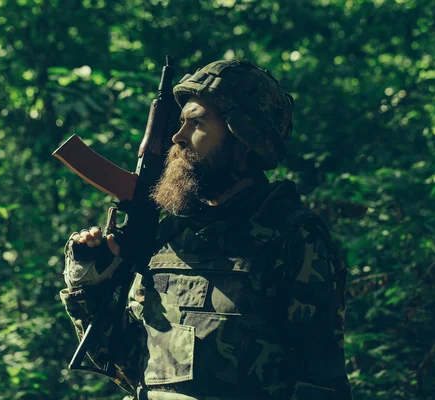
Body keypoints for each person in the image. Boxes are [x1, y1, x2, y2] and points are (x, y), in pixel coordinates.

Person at [59, 59, 352, 400]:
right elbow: (127, 366)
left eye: (196, 123)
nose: (177, 137)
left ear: (243, 137)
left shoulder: (291, 237)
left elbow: (320, 384)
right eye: (181, 122)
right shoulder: (168, 236)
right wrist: (88, 284)